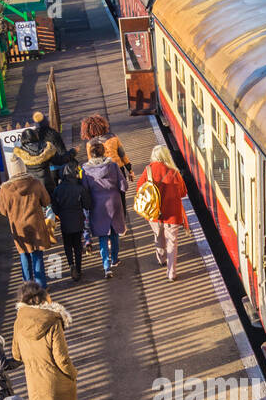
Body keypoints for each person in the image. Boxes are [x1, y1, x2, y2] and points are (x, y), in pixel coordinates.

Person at [12, 281, 90, 400]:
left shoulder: (18, 322)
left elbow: (16, 354)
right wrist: (73, 374)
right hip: (58, 379)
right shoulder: (53, 321)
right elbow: (61, 358)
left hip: (36, 384)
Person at [0, 155, 55, 287]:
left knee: (24, 253)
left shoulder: (5, 189)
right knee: (37, 254)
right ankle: (41, 286)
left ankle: (28, 286)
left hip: (18, 227)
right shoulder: (35, 183)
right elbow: (46, 201)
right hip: (36, 224)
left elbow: (2, 211)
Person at [136, 145, 188, 282]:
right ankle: (171, 273)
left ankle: (161, 258)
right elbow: (183, 193)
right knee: (172, 242)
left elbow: (139, 189)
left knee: (158, 236)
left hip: (154, 213)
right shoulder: (174, 173)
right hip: (172, 214)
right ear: (166, 156)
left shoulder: (148, 171)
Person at [82, 140, 127, 280]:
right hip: (114, 202)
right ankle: (114, 259)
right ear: (104, 152)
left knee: (102, 235)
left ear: (91, 154)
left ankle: (106, 267)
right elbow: (124, 186)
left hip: (97, 205)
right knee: (114, 233)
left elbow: (85, 190)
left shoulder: (85, 170)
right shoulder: (113, 166)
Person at [50, 161, 92, 280]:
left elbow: (54, 205)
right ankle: (78, 269)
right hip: (78, 219)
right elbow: (87, 205)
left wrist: (59, 214)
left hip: (65, 219)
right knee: (77, 245)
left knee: (67, 245)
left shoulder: (58, 189)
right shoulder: (79, 188)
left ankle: (71, 264)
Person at [80, 113, 133, 183]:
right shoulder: (113, 137)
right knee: (121, 190)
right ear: (103, 125)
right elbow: (122, 154)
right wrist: (130, 170)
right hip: (118, 168)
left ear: (87, 130)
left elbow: (91, 162)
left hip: (102, 173)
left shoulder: (90, 144)